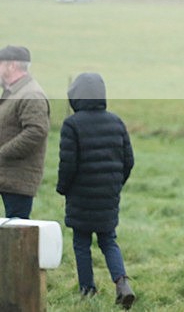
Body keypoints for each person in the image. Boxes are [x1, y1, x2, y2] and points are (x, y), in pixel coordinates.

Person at [56, 72, 136, 308]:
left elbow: (67, 164)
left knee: (81, 242)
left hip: (79, 195)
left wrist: (63, 188)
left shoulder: (71, 125)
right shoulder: (116, 121)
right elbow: (128, 160)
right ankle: (122, 283)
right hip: (108, 194)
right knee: (108, 240)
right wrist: (114, 185)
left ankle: (87, 290)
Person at [0, 45, 50, 219]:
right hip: (6, 176)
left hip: (18, 179)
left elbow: (36, 131)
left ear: (11, 66)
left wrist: (3, 152)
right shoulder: (14, 92)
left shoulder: (31, 94)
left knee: (17, 235)